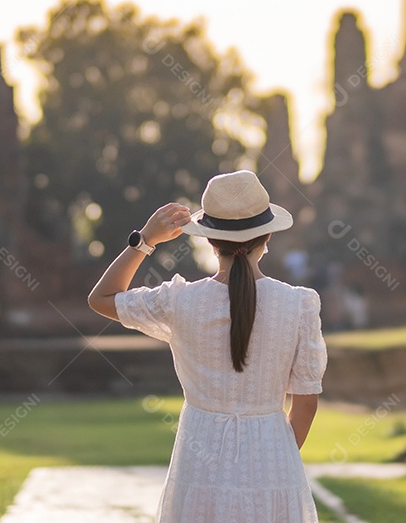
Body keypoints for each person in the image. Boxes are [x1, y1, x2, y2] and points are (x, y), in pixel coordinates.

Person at [87, 170, 326, 522]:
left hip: (198, 467)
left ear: (210, 241)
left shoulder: (179, 301)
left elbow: (102, 298)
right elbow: (305, 404)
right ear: (267, 236)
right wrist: (277, 463)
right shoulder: (299, 304)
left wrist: (145, 241)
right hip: (273, 464)